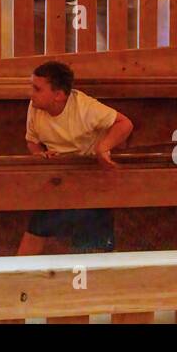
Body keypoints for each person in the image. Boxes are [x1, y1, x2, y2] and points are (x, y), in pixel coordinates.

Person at [17, 60, 134, 256]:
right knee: (33, 235)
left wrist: (103, 148)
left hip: (89, 181)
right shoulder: (34, 107)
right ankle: (16, 281)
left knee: (91, 251)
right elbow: (32, 140)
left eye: (37, 89)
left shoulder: (85, 108)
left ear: (59, 95)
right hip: (56, 180)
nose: (31, 94)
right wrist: (39, 155)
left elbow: (125, 124)